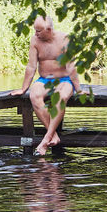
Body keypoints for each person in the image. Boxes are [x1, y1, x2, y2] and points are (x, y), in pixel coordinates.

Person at [13, 15, 82, 156]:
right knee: (34, 95)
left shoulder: (64, 39)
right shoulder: (35, 41)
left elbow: (71, 67)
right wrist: (23, 88)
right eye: (35, 30)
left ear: (49, 29)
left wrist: (79, 89)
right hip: (44, 80)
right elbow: (31, 66)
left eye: (38, 31)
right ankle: (53, 135)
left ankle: (45, 139)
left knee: (60, 97)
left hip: (64, 80)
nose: (35, 34)